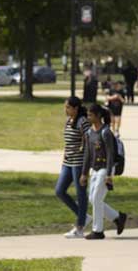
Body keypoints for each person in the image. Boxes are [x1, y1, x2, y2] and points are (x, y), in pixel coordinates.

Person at [80, 104, 127, 239]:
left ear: (98, 116)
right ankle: (118, 217)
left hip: (105, 168)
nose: (88, 117)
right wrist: (84, 173)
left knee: (96, 198)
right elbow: (87, 154)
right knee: (93, 199)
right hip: (94, 168)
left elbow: (111, 154)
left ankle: (98, 231)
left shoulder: (106, 132)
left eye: (90, 115)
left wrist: (108, 175)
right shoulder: (89, 132)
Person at [56, 96, 88, 238]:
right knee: (60, 191)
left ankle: (80, 227)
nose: (65, 109)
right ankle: (83, 217)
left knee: (81, 194)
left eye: (68, 107)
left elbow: (88, 143)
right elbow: (68, 143)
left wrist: (85, 170)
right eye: (65, 107)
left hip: (79, 163)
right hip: (67, 163)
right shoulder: (68, 121)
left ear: (75, 108)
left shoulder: (82, 122)